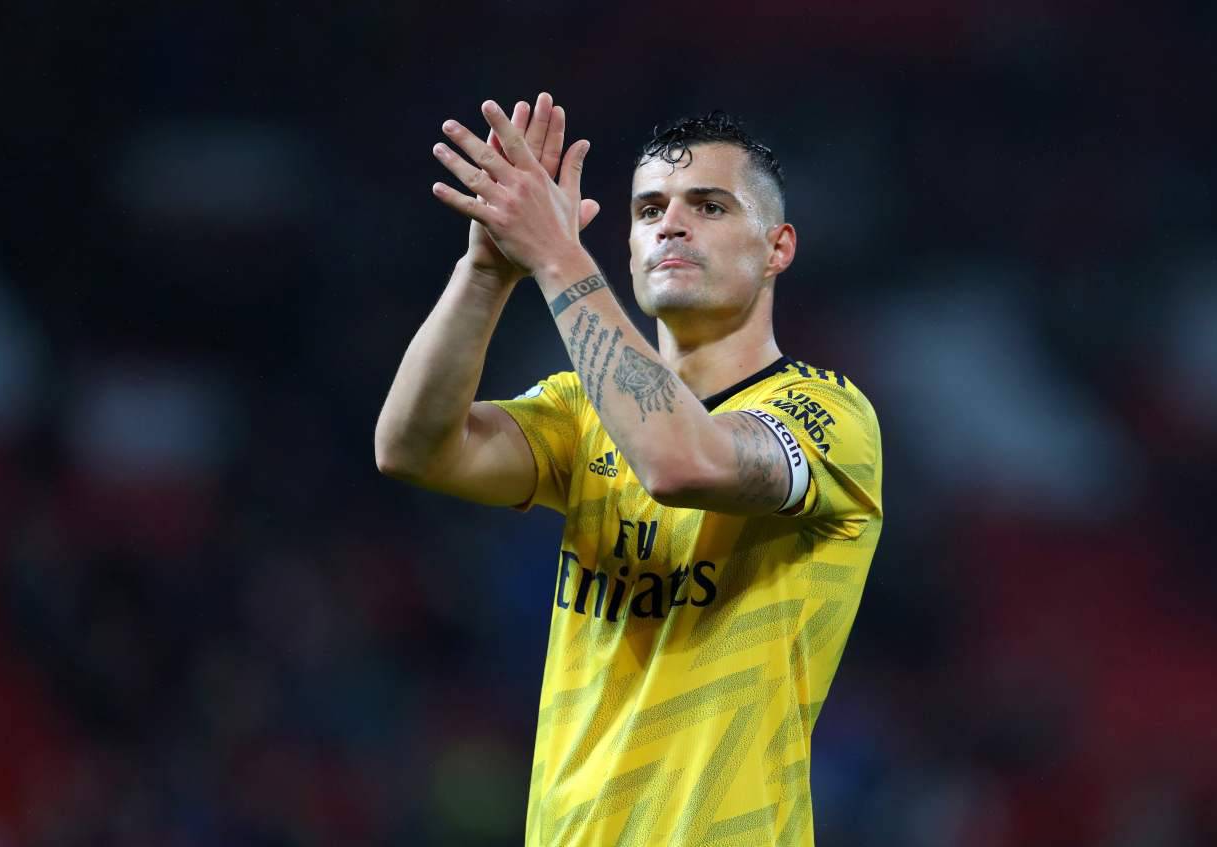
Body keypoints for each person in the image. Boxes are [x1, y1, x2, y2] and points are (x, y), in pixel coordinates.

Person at [375, 92, 883, 847]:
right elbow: (411, 448)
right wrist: (486, 271)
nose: (670, 224)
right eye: (649, 210)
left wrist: (558, 257)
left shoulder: (830, 416)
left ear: (777, 248)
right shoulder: (581, 410)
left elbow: (679, 461)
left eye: (709, 206)